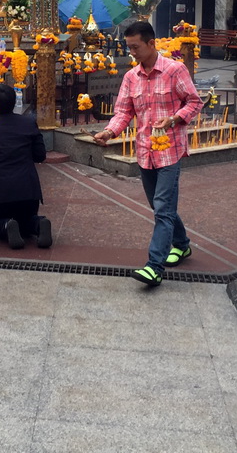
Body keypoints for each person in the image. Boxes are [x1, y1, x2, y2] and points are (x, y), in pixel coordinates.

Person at [92, 20, 202, 287]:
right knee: (159, 206)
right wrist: (109, 132)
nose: (132, 52)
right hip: (144, 151)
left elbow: (195, 102)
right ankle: (182, 243)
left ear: (152, 43)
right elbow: (123, 112)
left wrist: (175, 119)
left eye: (136, 47)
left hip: (170, 152)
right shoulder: (131, 77)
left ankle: (154, 266)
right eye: (129, 47)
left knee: (163, 208)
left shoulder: (175, 71)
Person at [0, 83, 51, 250]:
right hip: (28, 189)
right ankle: (39, 224)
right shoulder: (29, 124)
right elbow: (40, 155)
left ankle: (6, 225)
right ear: (14, 100)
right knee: (27, 219)